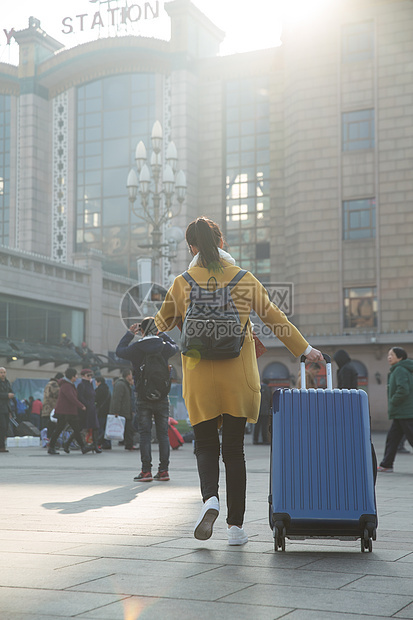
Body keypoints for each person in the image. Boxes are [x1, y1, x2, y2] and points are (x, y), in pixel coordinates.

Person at [154, 216, 323, 546]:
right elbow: (275, 317)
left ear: (192, 247)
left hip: (200, 379)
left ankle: (210, 501)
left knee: (204, 445)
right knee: (234, 452)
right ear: (221, 242)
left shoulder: (182, 281)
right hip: (237, 377)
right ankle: (236, 528)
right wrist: (305, 350)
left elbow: (162, 322)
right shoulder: (244, 279)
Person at [116, 317, 179, 482]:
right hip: (162, 396)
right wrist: (162, 334)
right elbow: (176, 346)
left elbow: (119, 350)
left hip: (143, 396)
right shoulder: (164, 347)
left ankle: (146, 472)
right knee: (163, 435)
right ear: (156, 330)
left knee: (145, 435)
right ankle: (164, 471)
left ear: (141, 330)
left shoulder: (137, 348)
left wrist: (130, 334)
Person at [378, 347, 413, 472]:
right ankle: (386, 464)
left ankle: (386, 464)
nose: (389, 357)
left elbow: (403, 389)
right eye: (388, 355)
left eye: (392, 355)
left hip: (405, 412)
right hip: (401, 413)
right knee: (392, 439)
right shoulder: (402, 369)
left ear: (400, 357)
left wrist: (393, 401)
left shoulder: (400, 369)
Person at [48, 367, 93, 455]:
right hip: (66, 411)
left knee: (68, 429)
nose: (77, 377)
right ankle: (82, 447)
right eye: (76, 375)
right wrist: (81, 406)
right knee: (72, 429)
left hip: (68, 411)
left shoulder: (69, 384)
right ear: (72, 376)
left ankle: (52, 447)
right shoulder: (66, 385)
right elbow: (71, 398)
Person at [109, 369, 135, 451]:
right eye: (131, 375)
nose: (132, 377)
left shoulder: (126, 384)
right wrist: (116, 411)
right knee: (128, 428)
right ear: (128, 375)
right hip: (123, 411)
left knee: (129, 429)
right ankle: (129, 444)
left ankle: (129, 444)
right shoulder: (121, 384)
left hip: (127, 411)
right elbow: (117, 399)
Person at [76, 369, 102, 453]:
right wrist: (86, 404)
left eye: (91, 375)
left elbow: (93, 394)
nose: (90, 377)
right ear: (83, 376)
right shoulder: (81, 384)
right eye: (88, 375)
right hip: (86, 409)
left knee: (95, 427)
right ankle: (68, 443)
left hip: (92, 408)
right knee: (80, 427)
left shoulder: (90, 384)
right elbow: (80, 396)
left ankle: (95, 445)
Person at [95, 375, 112, 449]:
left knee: (100, 428)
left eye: (96, 381)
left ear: (99, 382)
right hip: (107, 411)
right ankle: (107, 443)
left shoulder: (99, 390)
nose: (95, 383)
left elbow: (95, 399)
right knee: (106, 428)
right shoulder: (107, 389)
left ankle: (100, 442)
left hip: (101, 412)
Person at [0, 367, 14, 453]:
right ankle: (1, 446)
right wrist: (6, 395)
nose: (3, 374)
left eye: (4, 372)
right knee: (2, 427)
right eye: (1, 372)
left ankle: (2, 445)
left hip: (6, 408)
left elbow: (10, 393)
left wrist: (10, 411)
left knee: (5, 428)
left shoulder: (7, 382)